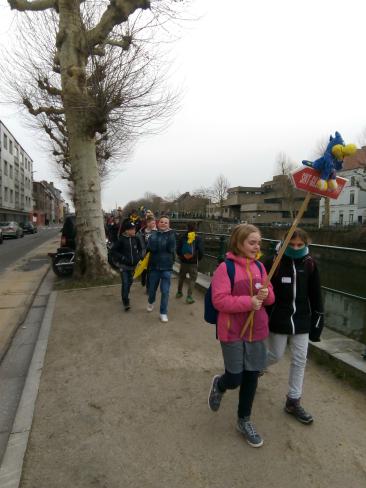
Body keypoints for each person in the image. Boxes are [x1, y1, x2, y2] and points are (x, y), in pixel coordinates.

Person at [208, 224, 274, 448]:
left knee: (251, 376)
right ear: (239, 243)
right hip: (232, 330)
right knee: (235, 377)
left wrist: (265, 295)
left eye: (259, 242)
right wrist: (250, 301)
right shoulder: (225, 269)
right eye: (252, 242)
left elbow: (271, 298)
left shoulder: (261, 267)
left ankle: (243, 420)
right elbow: (219, 300)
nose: (257, 247)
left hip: (257, 330)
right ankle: (220, 384)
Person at [264, 228, 324, 424]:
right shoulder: (273, 262)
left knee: (300, 359)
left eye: (300, 245)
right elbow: (261, 287)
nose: (296, 248)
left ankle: (293, 401)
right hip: (279, 318)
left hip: (302, 320)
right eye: (292, 244)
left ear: (306, 244)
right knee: (275, 355)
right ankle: (253, 369)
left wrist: (317, 322)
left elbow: (316, 296)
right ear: (285, 242)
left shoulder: (310, 264)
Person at [146, 216, 176, 323]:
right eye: (162, 222)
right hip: (154, 267)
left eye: (166, 223)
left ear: (169, 225)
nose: (163, 224)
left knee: (165, 291)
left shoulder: (172, 235)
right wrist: (153, 238)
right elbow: (150, 248)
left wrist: (170, 236)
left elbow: (171, 249)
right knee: (152, 289)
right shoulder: (153, 234)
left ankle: (163, 312)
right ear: (158, 224)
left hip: (167, 267)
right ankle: (151, 301)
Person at [111, 220, 142, 312]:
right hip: (124, 266)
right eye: (132, 230)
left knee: (130, 282)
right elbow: (113, 251)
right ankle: (126, 302)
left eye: (134, 229)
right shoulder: (121, 240)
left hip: (134, 266)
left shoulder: (136, 239)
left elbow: (141, 249)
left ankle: (125, 295)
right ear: (126, 231)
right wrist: (122, 258)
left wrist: (139, 257)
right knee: (125, 283)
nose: (134, 231)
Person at [176, 223, 203, 304]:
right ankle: (189, 297)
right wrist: (198, 258)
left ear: (187, 228)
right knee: (192, 279)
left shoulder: (182, 237)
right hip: (193, 262)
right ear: (196, 229)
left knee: (181, 277)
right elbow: (201, 251)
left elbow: (178, 249)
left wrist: (181, 257)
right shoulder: (198, 238)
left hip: (183, 261)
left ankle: (179, 292)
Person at [138, 215, 157, 290]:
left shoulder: (157, 232)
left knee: (151, 270)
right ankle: (143, 278)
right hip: (144, 252)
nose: (154, 224)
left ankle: (148, 287)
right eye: (152, 223)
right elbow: (137, 240)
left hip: (153, 254)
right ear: (148, 223)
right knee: (144, 269)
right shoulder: (141, 231)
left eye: (154, 223)